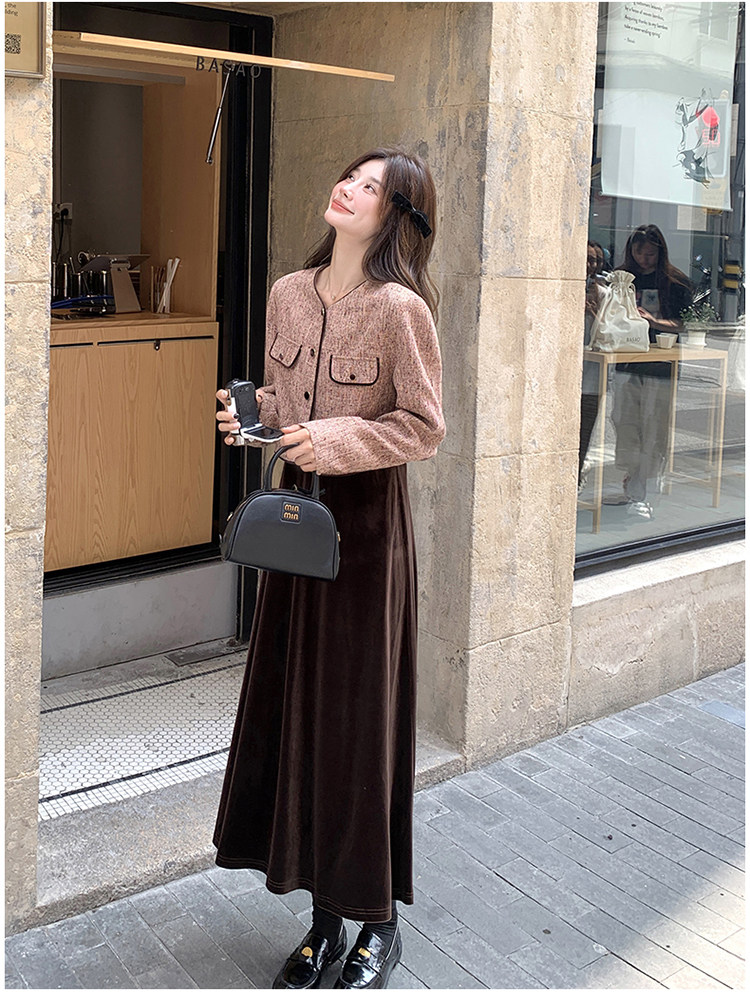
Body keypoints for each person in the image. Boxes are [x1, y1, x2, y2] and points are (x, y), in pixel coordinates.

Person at [213, 148, 445, 990]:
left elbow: (423, 427)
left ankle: (376, 921)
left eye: (371, 186)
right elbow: (287, 404)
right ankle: (322, 918)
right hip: (293, 525)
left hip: (367, 532)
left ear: (396, 215)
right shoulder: (287, 291)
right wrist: (252, 417)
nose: (348, 187)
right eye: (350, 175)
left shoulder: (401, 309)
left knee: (358, 726)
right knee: (298, 715)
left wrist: (334, 440)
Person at [607, 224, 692, 517]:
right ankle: (633, 483)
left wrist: (653, 321)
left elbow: (685, 323)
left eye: (650, 253)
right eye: (638, 252)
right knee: (625, 421)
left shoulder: (675, 282)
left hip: (660, 365)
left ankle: (647, 490)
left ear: (660, 252)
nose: (643, 258)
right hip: (626, 362)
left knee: (655, 426)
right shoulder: (621, 278)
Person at [579, 241, 606, 488]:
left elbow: (610, 332)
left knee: (584, 430)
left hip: (592, 377)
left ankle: (577, 476)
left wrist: (593, 313)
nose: (591, 264)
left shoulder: (603, 292)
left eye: (596, 260)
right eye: (588, 258)